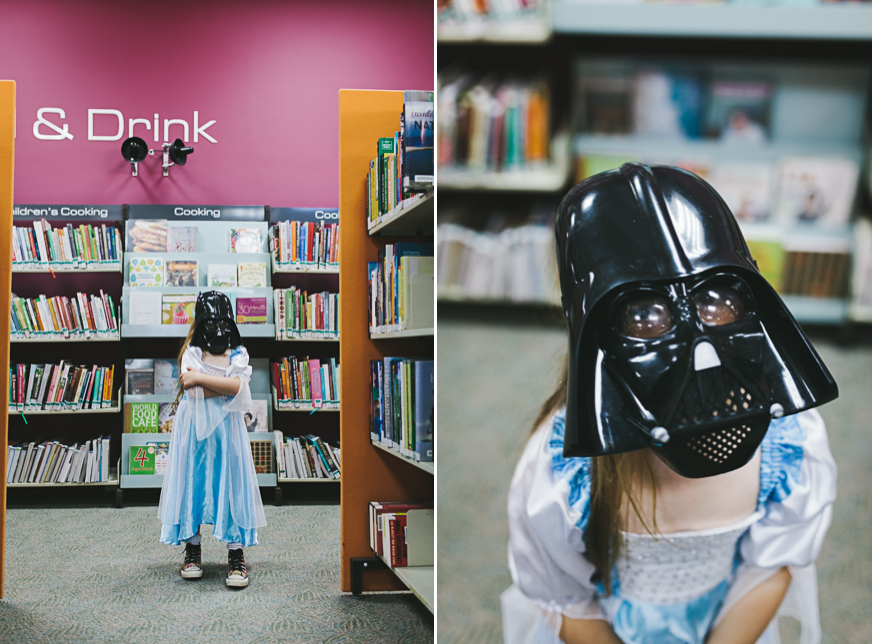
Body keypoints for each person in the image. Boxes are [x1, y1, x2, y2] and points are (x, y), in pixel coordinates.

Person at [504, 163, 838, 644]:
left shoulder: (790, 443)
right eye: (644, 315)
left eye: (718, 300)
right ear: (594, 328)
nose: (700, 352)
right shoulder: (560, 474)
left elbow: (773, 563)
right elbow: (565, 599)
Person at [158, 290, 267, 589]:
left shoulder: (238, 352)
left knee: (231, 484)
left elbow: (239, 388)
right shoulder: (192, 352)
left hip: (227, 431)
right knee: (192, 482)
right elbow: (197, 391)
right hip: (193, 429)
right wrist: (227, 386)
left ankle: (236, 553)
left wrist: (202, 379)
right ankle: (192, 548)